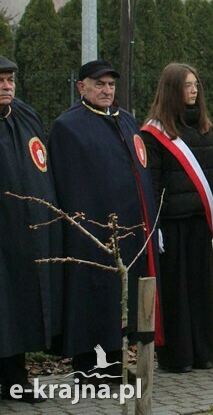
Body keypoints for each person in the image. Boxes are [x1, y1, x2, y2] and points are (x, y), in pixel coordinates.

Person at [48, 60, 160, 382]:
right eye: (99, 84)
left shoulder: (126, 121)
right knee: (93, 300)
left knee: (120, 302)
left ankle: (116, 363)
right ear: (81, 86)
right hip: (90, 232)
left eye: (111, 85)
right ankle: (90, 369)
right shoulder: (67, 127)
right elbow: (65, 184)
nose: (106, 90)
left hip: (128, 231)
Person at [141, 63, 213, 373]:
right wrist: (155, 223)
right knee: (176, 290)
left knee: (200, 288)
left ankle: (203, 352)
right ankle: (178, 356)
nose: (194, 91)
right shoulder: (154, 132)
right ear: (172, 90)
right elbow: (153, 180)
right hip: (172, 223)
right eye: (187, 86)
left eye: (196, 85)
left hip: (198, 221)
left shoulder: (203, 127)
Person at [0, 56, 60, 403]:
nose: (7, 86)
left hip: (26, 237)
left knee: (18, 309)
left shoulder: (25, 116)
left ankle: (15, 379)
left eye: (10, 80)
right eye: (1, 81)